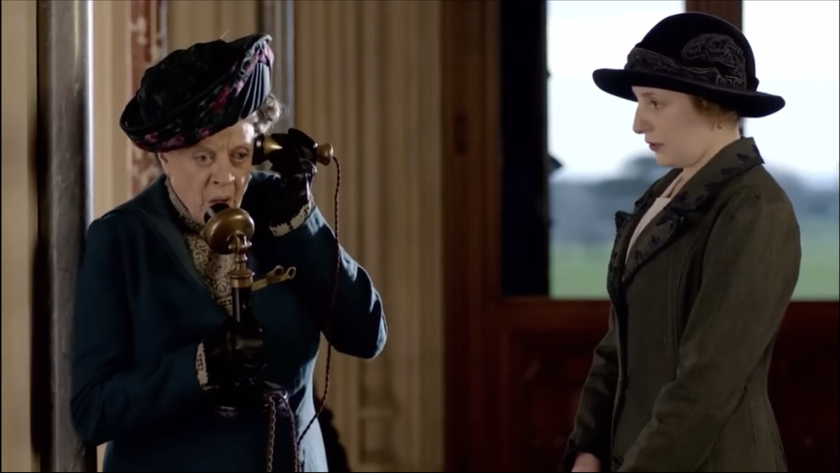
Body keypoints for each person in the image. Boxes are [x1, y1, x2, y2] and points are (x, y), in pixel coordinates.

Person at [70, 33, 387, 472]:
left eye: (239, 155)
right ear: (165, 156)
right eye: (203, 158)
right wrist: (200, 367)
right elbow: (93, 410)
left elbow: (366, 335)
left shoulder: (281, 210)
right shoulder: (121, 239)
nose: (225, 178)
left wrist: (303, 220)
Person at [563, 12, 800, 473]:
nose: (637, 123)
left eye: (655, 102)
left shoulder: (753, 208)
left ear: (710, 103)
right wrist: (587, 448)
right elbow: (619, 343)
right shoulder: (661, 195)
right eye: (638, 102)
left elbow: (709, 380)